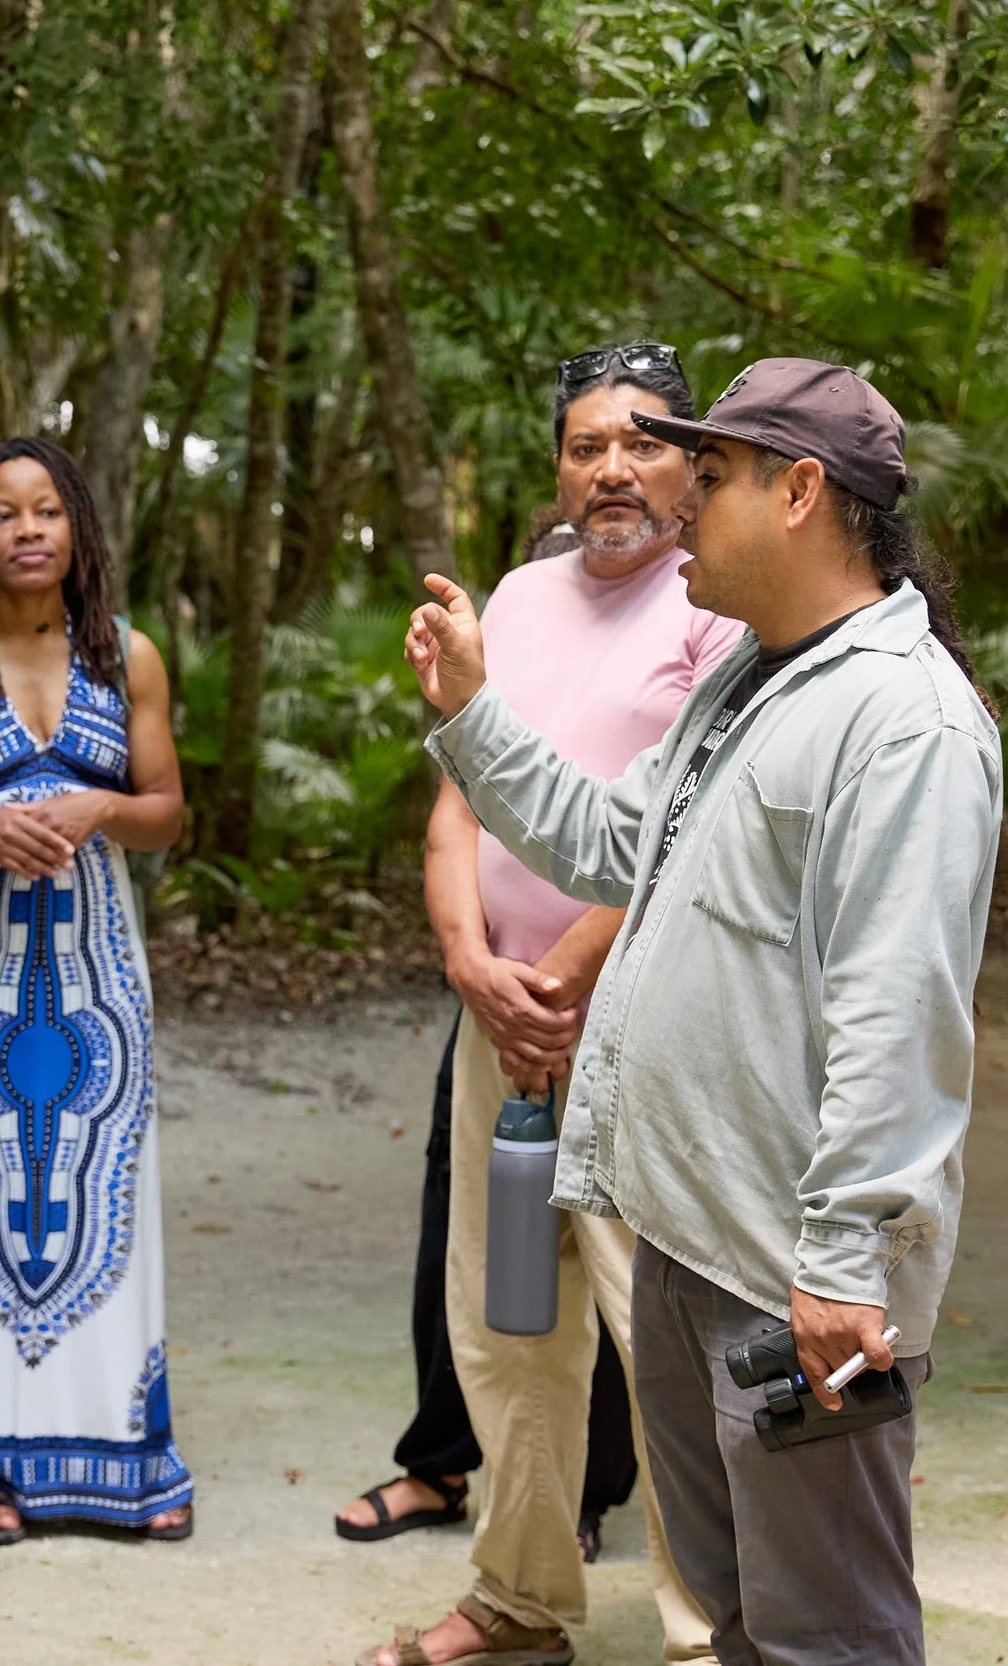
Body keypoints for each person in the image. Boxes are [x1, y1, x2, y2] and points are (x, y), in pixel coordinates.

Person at [406, 357, 1001, 1666]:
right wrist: (471, 712)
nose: (678, 506)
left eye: (710, 477)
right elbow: (615, 842)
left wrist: (844, 1271)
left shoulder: (907, 727)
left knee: (826, 1630)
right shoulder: (751, 682)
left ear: (800, 493)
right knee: (743, 1618)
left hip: (798, 1285)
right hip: (684, 1241)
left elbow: (898, 1020)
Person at [363, 344, 738, 1666]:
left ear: (696, 464)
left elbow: (686, 828)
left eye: (643, 441)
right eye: (587, 444)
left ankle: (710, 1623)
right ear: (560, 467)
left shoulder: (721, 605)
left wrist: (564, 979)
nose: (613, 466)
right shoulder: (516, 594)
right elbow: (461, 792)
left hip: (641, 1025)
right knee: (507, 1310)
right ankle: (522, 1597)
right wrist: (473, 964)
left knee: (667, 1325)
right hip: (504, 1027)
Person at [0, 436, 192, 1544]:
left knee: (107, 1191)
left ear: (77, 530)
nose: (26, 531)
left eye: (47, 511)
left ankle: (126, 1457)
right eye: (3, 514)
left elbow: (167, 811)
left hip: (99, 974)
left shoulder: (127, 657)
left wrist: (100, 809)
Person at [333, 1015, 643, 1564]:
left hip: (607, 1006)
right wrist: (471, 966)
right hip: (491, 1005)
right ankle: (439, 1466)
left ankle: (577, 1497)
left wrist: (545, 1005)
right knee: (463, 1234)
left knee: (605, 1259)